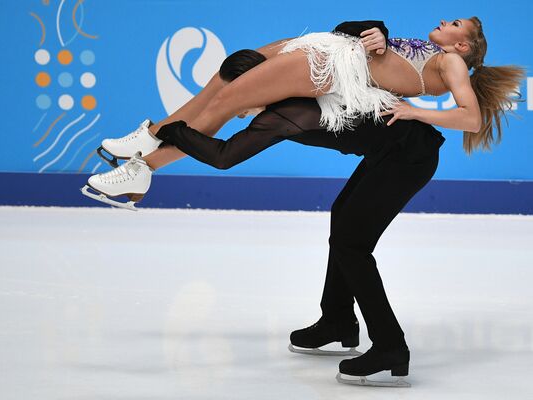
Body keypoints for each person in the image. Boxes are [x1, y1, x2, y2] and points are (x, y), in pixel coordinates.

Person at [81, 17, 526, 386]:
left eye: (456, 24)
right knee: (240, 82)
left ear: (463, 44)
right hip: (371, 116)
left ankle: (391, 346)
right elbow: (361, 35)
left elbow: (470, 117)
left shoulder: (450, 61)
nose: (444, 21)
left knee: (352, 244)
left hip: (405, 153)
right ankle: (337, 322)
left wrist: (414, 111)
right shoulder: (417, 55)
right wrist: (375, 33)